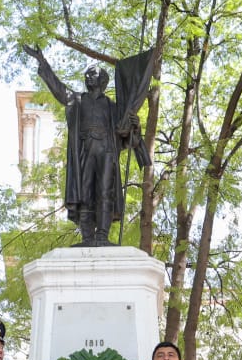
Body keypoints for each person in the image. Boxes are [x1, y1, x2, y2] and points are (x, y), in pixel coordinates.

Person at [22, 44, 152, 246]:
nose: (87, 77)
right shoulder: (77, 99)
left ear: (102, 80)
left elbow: (125, 134)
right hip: (85, 150)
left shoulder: (113, 107)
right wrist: (42, 61)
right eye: (87, 75)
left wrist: (135, 127)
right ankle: (87, 237)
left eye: (92, 74)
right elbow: (58, 89)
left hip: (107, 152)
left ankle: (102, 235)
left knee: (105, 192)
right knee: (83, 193)